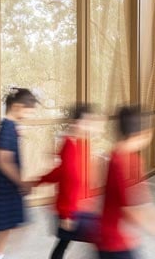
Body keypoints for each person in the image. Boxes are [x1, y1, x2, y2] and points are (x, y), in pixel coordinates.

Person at [97, 106, 155, 259]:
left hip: (106, 235)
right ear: (144, 133)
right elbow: (135, 207)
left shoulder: (113, 155)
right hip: (119, 241)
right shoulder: (131, 162)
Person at [35, 104, 99, 259]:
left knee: (64, 243)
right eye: (87, 122)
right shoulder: (69, 145)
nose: (90, 126)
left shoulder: (81, 143)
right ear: (76, 122)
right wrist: (66, 215)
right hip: (69, 210)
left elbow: (63, 172)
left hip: (78, 206)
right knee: (99, 237)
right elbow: (66, 177)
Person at [0, 88, 38, 259]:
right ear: (16, 107)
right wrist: (22, 182)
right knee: (6, 225)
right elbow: (3, 161)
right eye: (28, 111)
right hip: (6, 187)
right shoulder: (8, 128)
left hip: (9, 186)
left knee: (8, 225)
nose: (29, 115)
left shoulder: (11, 126)